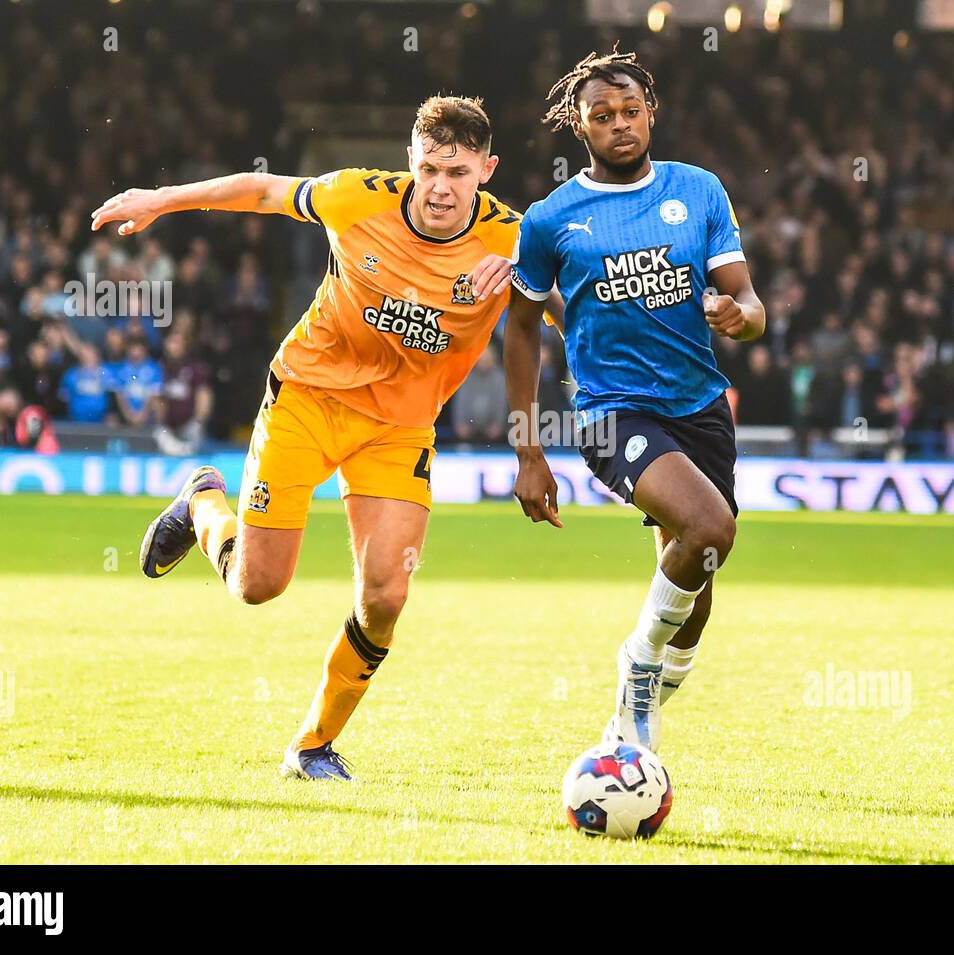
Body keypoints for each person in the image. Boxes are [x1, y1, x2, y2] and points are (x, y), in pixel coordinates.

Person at [91, 95, 522, 781]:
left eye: (460, 172)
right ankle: (203, 502)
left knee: (386, 595)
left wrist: (543, 290)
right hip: (309, 398)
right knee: (258, 585)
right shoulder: (354, 197)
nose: (441, 186)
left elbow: (564, 308)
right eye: (431, 168)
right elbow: (262, 191)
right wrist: (161, 199)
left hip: (400, 426)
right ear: (410, 161)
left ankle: (313, 745)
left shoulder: (514, 240)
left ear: (487, 171)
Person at [503, 49, 765, 753]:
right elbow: (521, 330)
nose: (619, 125)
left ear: (651, 112)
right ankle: (637, 670)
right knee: (711, 528)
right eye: (601, 116)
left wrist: (743, 316)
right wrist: (529, 451)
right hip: (613, 411)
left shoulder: (699, 190)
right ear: (578, 127)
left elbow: (749, 299)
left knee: (697, 600)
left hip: (700, 405)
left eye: (629, 111)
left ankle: (633, 725)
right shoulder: (552, 219)